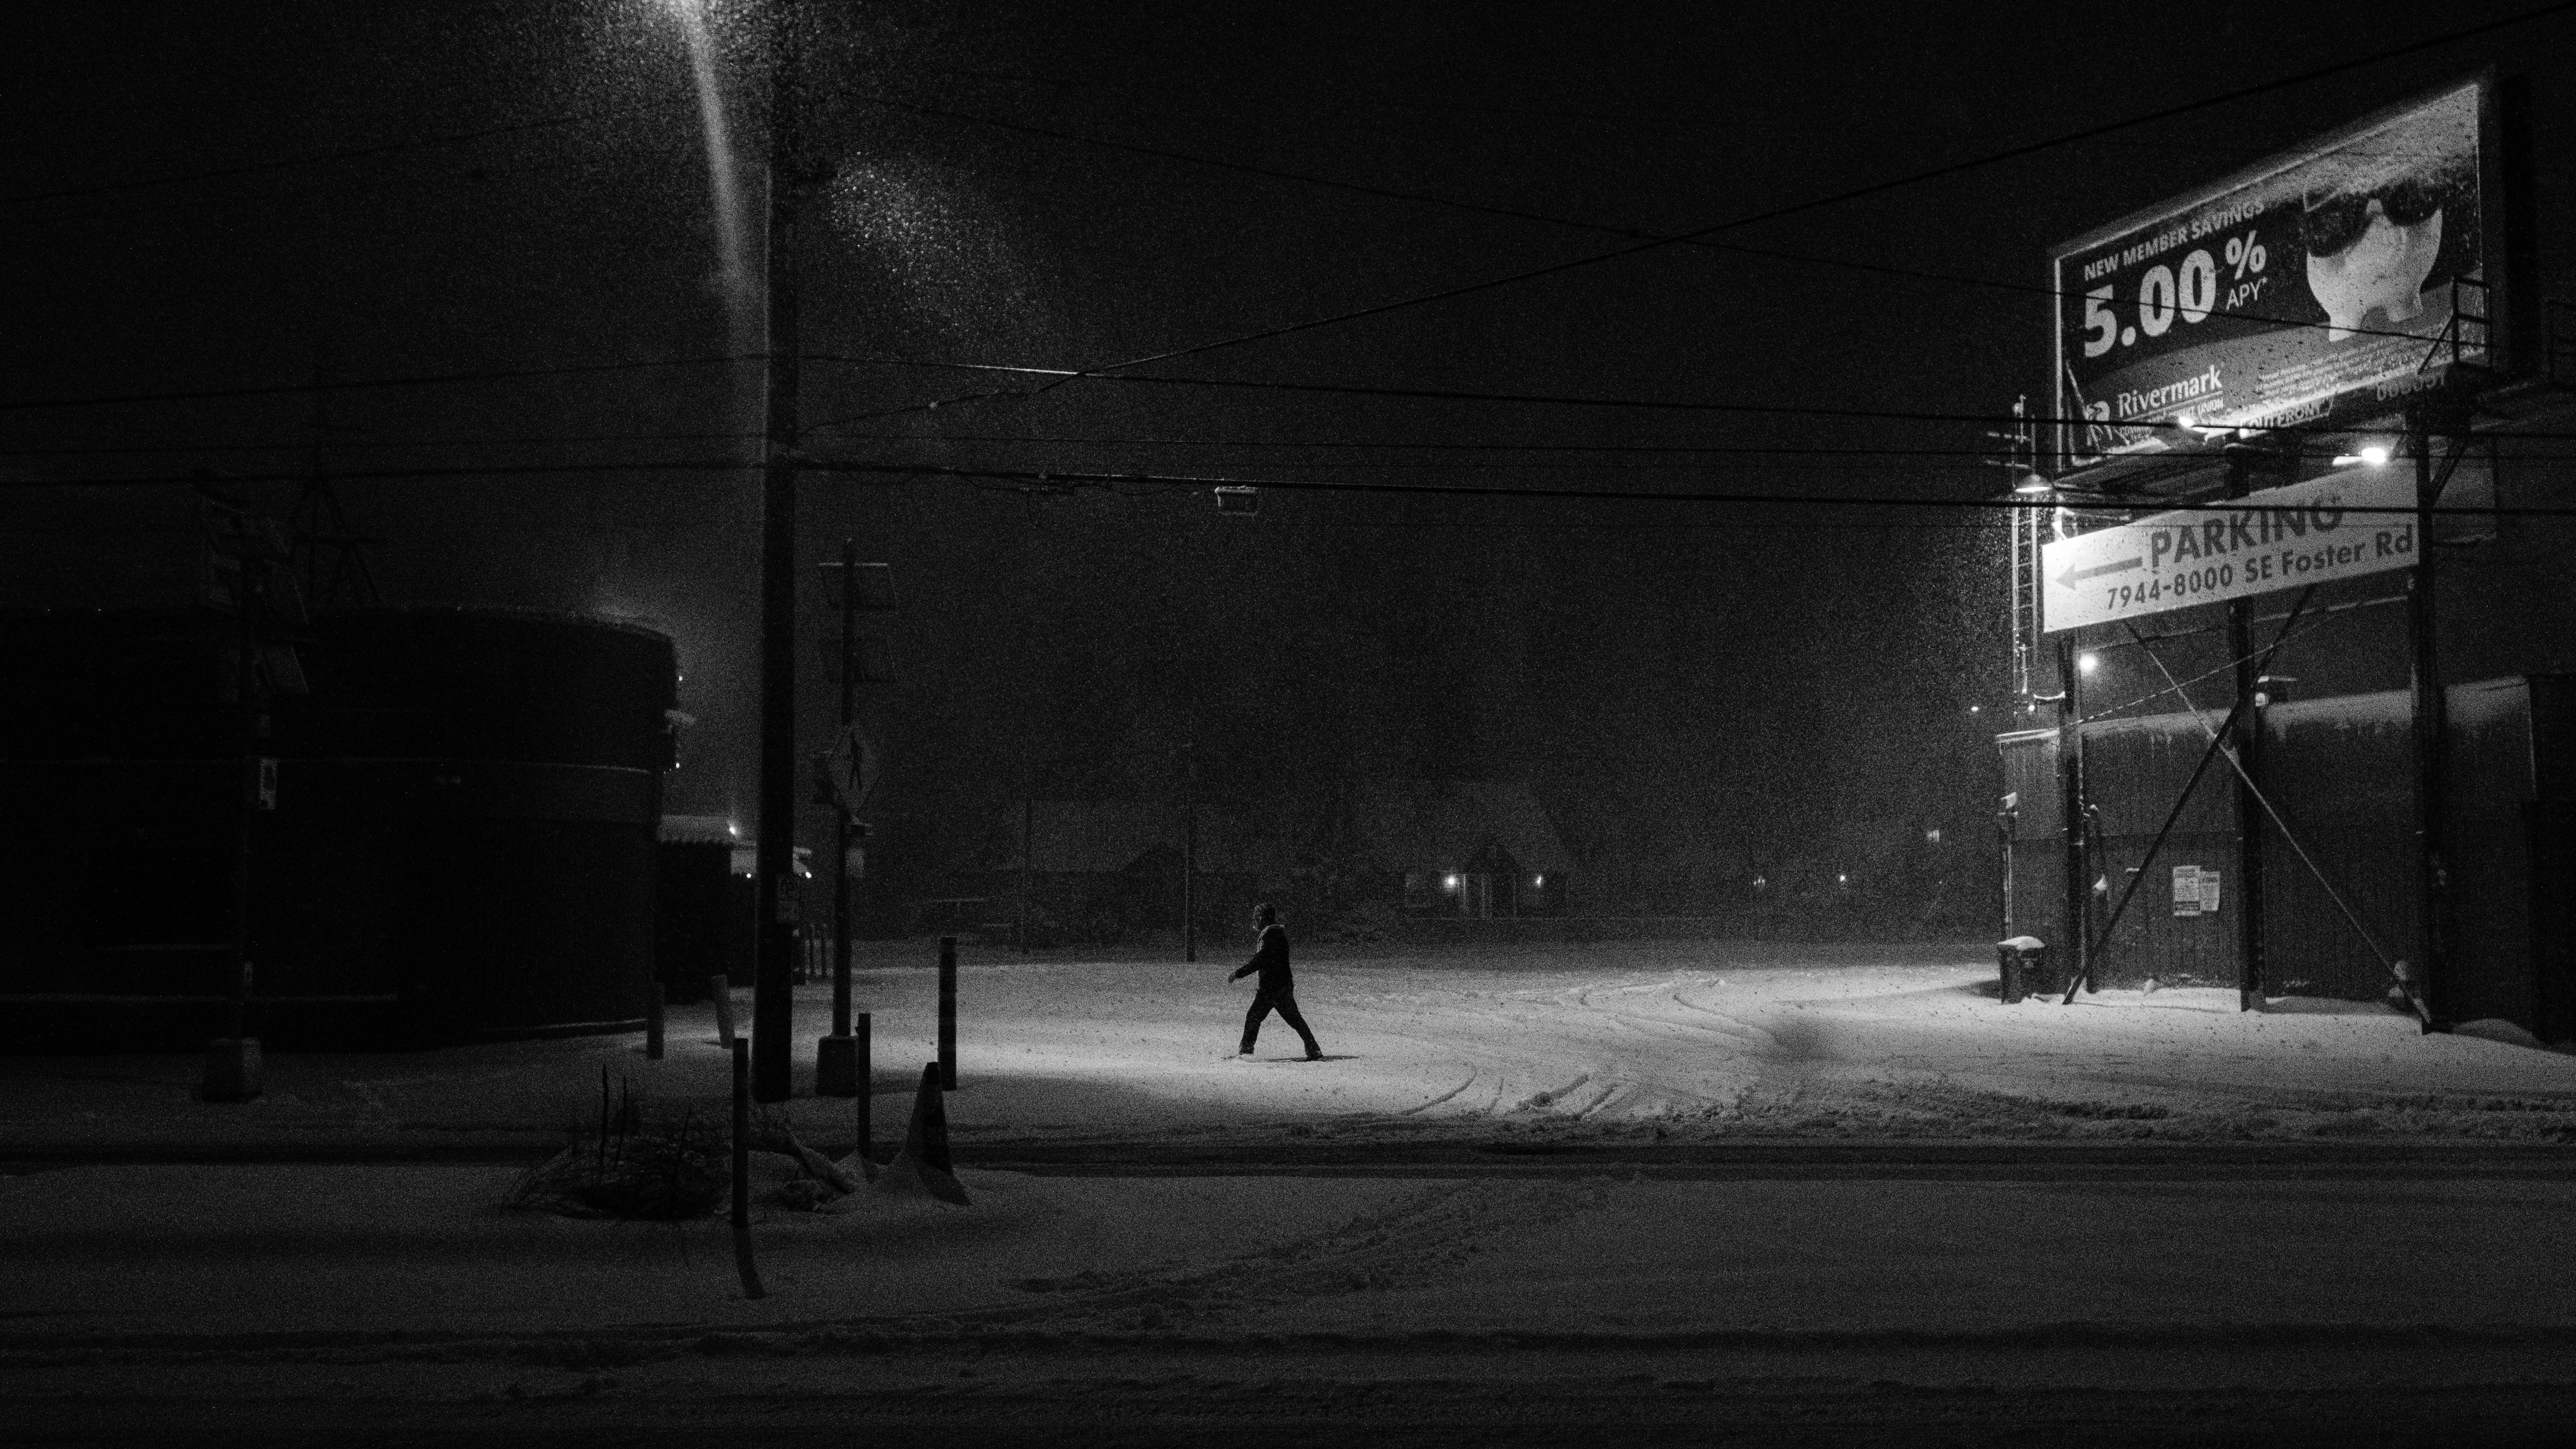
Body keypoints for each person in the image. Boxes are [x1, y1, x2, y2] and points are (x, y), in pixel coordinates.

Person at [1229, 903, 1322, 1060]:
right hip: (1282, 985)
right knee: (1295, 1019)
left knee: (1254, 1016)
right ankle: (1314, 1050)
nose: (1256, 920)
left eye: (1258, 916)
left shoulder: (1270, 936)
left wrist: (1239, 973)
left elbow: (1260, 960)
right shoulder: (1277, 935)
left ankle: (1246, 1051)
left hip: (1271, 988)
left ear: (1264, 918)